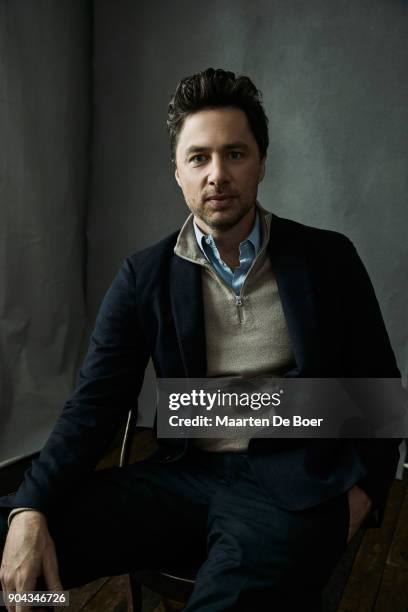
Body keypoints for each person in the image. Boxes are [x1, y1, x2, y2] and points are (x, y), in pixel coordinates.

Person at [0, 68, 401, 611]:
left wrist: (362, 499)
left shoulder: (328, 259)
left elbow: (380, 402)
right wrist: (31, 509)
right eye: (199, 158)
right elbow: (95, 404)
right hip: (182, 478)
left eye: (235, 154)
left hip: (289, 488)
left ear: (261, 162)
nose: (218, 174)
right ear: (178, 172)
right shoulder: (145, 275)